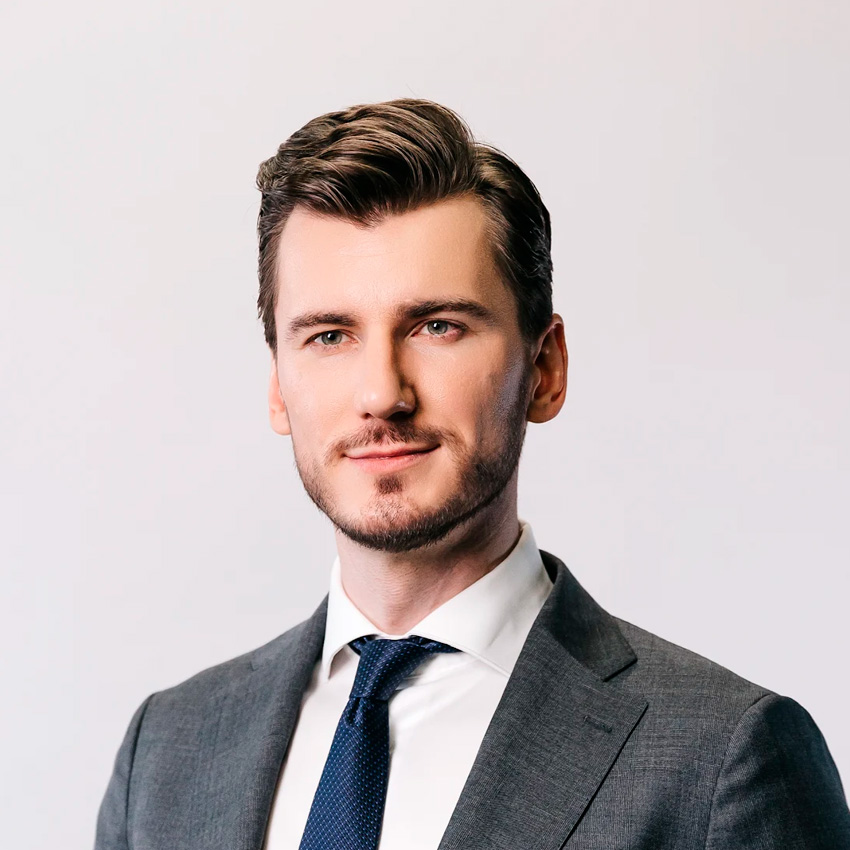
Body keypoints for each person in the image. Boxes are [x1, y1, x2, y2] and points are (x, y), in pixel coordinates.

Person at [94, 99, 850, 849]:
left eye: (437, 327)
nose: (381, 393)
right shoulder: (165, 753)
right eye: (329, 335)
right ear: (277, 387)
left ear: (545, 369)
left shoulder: (725, 761)